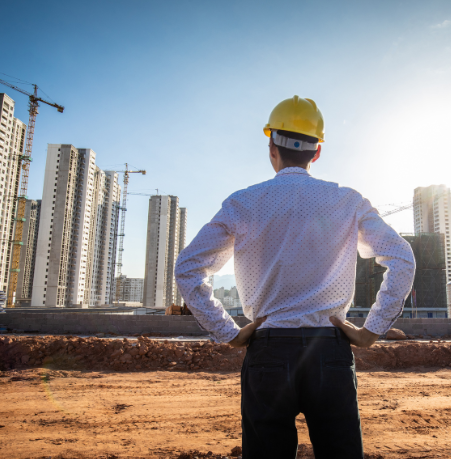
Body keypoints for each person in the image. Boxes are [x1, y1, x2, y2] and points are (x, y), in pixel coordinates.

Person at [174, 96, 415, 458]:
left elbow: (188, 266)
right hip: (329, 350)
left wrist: (229, 332)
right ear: (316, 152)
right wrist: (371, 330)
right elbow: (402, 257)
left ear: (272, 148)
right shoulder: (348, 201)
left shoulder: (242, 203)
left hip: (267, 352)